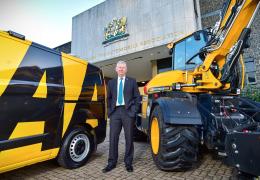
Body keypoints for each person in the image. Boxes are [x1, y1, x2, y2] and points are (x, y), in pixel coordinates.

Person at [102, 60, 140, 173]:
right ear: (116, 69)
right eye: (119, 67)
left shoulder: (132, 81)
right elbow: (108, 98)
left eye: (123, 67)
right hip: (115, 113)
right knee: (113, 138)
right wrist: (109, 111)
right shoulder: (112, 83)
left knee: (129, 138)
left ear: (126, 69)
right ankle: (111, 163)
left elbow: (137, 97)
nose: (121, 69)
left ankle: (128, 163)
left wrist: (134, 111)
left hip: (128, 112)